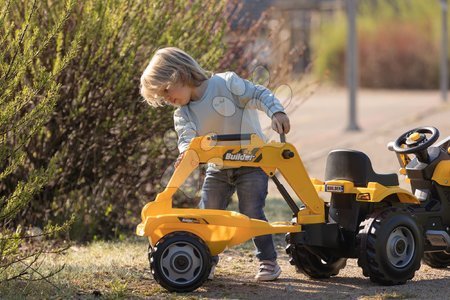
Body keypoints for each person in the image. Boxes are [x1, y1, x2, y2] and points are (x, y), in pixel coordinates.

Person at [140, 47, 290, 281]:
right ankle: (204, 260)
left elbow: (259, 94)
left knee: (252, 210)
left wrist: (276, 112)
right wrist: (187, 152)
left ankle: (268, 262)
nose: (167, 98)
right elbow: (187, 138)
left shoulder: (227, 83)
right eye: (162, 96)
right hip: (218, 168)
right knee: (207, 212)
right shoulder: (183, 113)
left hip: (251, 162)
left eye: (167, 90)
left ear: (180, 74)